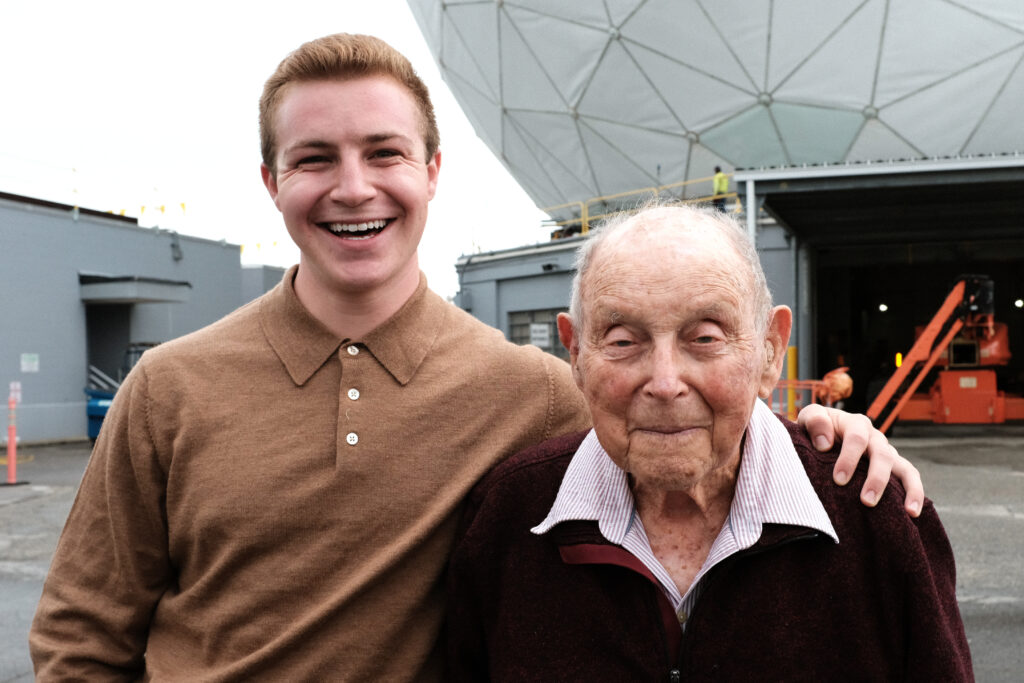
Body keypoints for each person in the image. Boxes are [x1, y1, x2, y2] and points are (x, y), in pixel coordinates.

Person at [30, 34, 924, 681]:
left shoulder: (533, 392)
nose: (353, 186)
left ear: (432, 170)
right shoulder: (171, 386)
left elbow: (680, 411)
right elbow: (82, 633)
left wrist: (823, 435)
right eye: (314, 159)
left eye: (384, 152)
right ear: (272, 183)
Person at [445, 203, 972, 680]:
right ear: (576, 354)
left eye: (705, 338)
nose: (666, 382)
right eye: (624, 341)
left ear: (769, 351)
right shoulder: (507, 518)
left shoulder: (877, 519)